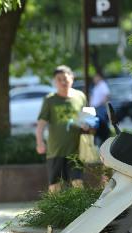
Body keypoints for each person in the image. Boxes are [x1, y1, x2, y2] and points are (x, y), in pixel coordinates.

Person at [35, 65, 88, 193]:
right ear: (54, 81)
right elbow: (41, 123)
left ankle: (80, 211)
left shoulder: (80, 96)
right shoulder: (50, 100)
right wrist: (40, 142)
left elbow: (86, 119)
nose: (63, 82)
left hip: (76, 150)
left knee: (78, 183)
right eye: (59, 79)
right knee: (55, 187)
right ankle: (53, 212)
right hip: (55, 151)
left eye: (65, 78)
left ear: (72, 78)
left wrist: (87, 125)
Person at [90, 73, 111, 146]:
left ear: (99, 77)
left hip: (100, 108)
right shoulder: (97, 86)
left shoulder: (102, 85)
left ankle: (103, 141)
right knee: (95, 126)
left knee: (101, 125)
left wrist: (101, 105)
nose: (94, 79)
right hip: (95, 108)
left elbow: (106, 95)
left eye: (95, 78)